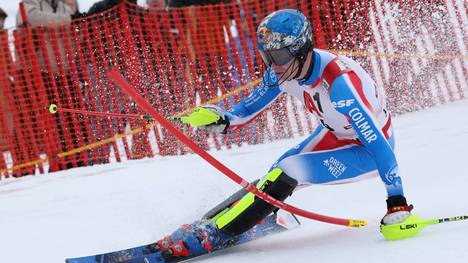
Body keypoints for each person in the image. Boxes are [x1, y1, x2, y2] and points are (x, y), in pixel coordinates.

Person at [150, 9, 419, 260]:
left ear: (301, 49)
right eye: (267, 56)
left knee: (289, 169)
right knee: (275, 174)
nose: (273, 65)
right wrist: (221, 118)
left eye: (278, 56)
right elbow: (246, 109)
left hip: (368, 152)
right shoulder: (284, 71)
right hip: (334, 135)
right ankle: (210, 223)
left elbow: (378, 143)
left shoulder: (340, 85)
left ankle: (214, 234)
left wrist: (397, 201)